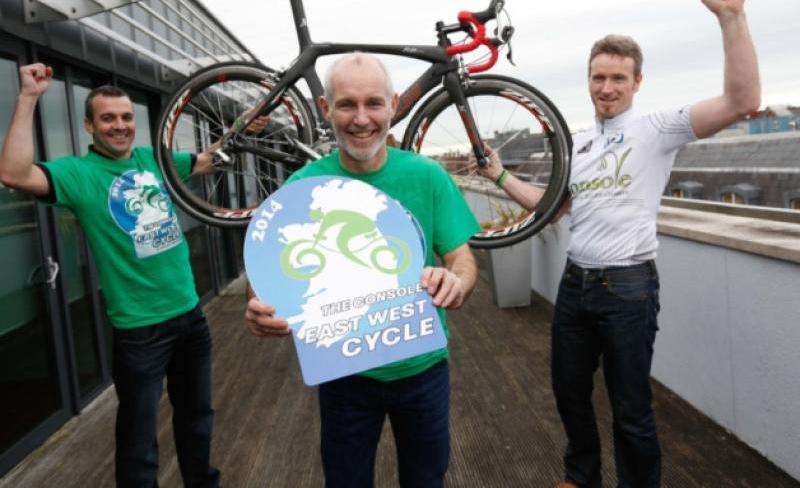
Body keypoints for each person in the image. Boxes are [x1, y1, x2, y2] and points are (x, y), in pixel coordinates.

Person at [475, 0, 760, 488]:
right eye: (598, 77)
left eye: (618, 79)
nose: (606, 88)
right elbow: (554, 208)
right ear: (588, 79)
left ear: (637, 82)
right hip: (576, 283)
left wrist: (731, 17)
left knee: (630, 407)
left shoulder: (657, 130)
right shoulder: (578, 143)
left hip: (628, 287)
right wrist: (498, 174)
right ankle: (580, 477)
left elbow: (741, 101)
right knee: (568, 394)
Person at [244, 52, 479, 488]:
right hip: (344, 374)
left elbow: (461, 258)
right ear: (325, 109)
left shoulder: (427, 176)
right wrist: (258, 307)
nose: (361, 119)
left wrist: (456, 281)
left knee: (426, 480)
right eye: (346, 104)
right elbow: (266, 279)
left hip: (423, 369)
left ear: (392, 105)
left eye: (373, 103)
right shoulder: (301, 189)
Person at [0, 64, 223, 487]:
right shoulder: (78, 175)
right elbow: (13, 173)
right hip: (140, 330)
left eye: (125, 118)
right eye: (108, 118)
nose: (119, 126)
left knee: (198, 418)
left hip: (191, 317)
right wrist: (28, 97)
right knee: (139, 441)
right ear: (89, 125)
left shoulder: (152, 159)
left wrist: (248, 128)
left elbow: (207, 161)